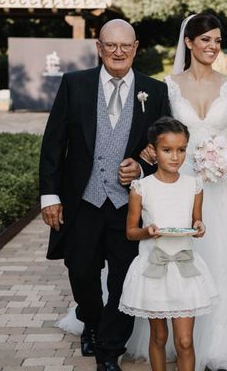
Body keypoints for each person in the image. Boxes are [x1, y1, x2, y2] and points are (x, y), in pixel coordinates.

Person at [131, 13, 227, 370]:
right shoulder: (168, 85)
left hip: (224, 182)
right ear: (189, 43)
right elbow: (159, 132)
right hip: (180, 185)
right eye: (206, 40)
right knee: (182, 253)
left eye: (217, 40)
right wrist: (149, 151)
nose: (213, 46)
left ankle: (225, 342)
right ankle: (181, 338)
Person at [39, 19, 171, 371]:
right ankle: (92, 323)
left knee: (124, 278)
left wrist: (142, 169)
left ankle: (109, 350)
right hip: (83, 199)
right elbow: (53, 143)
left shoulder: (154, 91)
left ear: (136, 48)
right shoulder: (75, 84)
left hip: (130, 205)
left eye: (125, 46)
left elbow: (164, 145)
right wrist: (50, 196)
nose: (118, 52)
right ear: (99, 48)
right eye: (110, 45)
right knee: (81, 270)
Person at [120, 117, 218, 371]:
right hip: (154, 268)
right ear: (153, 151)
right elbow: (130, 232)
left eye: (181, 150)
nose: (175, 157)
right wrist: (147, 231)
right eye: (167, 150)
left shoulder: (193, 185)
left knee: (185, 341)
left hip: (185, 268)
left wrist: (199, 227)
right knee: (159, 337)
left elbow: (196, 220)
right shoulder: (141, 187)